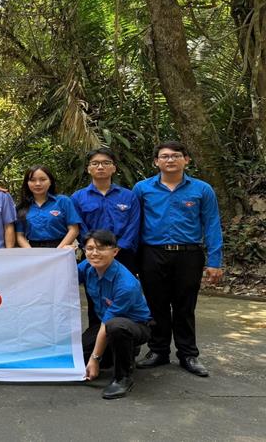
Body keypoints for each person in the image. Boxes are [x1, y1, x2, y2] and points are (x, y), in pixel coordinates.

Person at [133, 141, 223, 377]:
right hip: (152, 253)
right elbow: (134, 224)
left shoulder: (202, 189)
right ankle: (158, 351)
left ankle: (188, 354)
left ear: (186, 160)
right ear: (156, 162)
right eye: (164, 156)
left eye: (175, 155)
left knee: (185, 306)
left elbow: (212, 224)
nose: (170, 160)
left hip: (189, 254)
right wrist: (132, 260)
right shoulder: (142, 188)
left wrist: (215, 261)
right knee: (156, 304)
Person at [80, 230, 152, 399]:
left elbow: (108, 322)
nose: (94, 253)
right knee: (79, 355)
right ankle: (116, 353)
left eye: (101, 248)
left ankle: (123, 378)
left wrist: (95, 359)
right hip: (105, 323)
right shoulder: (87, 267)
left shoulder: (126, 284)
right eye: (89, 248)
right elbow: (63, 277)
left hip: (134, 326)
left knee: (116, 327)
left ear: (115, 251)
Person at [71, 148, 140, 274]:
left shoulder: (129, 196)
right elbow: (80, 227)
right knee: (93, 285)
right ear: (88, 169)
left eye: (106, 163)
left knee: (124, 285)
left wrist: (118, 247)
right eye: (95, 163)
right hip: (93, 253)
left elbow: (133, 225)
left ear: (114, 168)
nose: (100, 167)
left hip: (123, 253)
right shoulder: (77, 197)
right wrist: (94, 247)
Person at [15, 165, 81, 248]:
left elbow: (74, 229)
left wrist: (58, 251)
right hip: (33, 249)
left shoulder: (63, 201)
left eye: (43, 179)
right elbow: (20, 235)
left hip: (62, 247)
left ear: (50, 182)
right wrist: (31, 252)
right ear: (27, 183)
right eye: (32, 180)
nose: (38, 184)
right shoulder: (22, 207)